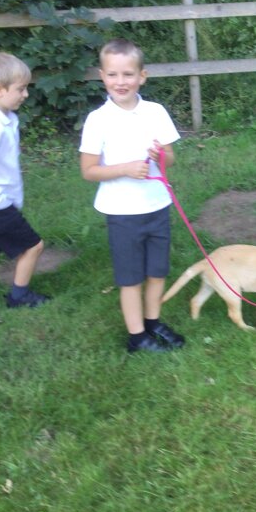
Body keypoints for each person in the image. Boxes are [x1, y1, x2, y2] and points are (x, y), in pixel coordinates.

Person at [79, 38, 185, 353]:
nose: (120, 81)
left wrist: (160, 156)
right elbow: (88, 171)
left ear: (142, 76)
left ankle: (153, 322)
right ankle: (137, 336)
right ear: (102, 76)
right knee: (131, 278)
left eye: (128, 74)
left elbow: (170, 158)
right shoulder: (98, 120)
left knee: (157, 271)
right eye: (113, 74)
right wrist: (125, 168)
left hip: (157, 206)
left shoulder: (155, 112)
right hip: (122, 213)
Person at [0, 53, 50, 308]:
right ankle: (19, 296)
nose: (26, 94)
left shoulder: (7, 118)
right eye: (20, 89)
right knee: (33, 246)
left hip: (5, 200)